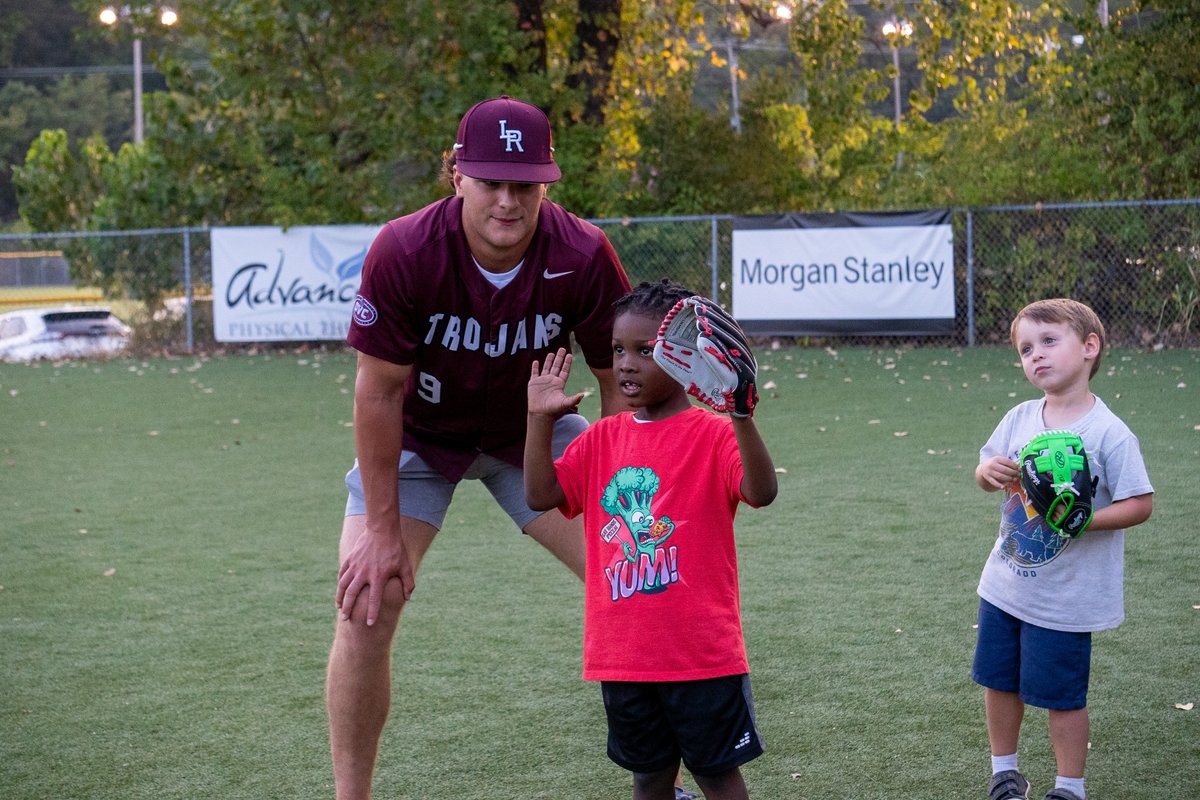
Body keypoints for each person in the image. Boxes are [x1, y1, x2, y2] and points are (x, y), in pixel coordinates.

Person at [325, 95, 636, 800]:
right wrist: (381, 530)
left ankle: (660, 781)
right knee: (368, 603)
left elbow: (617, 379)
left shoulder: (583, 251)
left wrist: (622, 488)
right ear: (457, 175)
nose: (507, 200)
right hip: (420, 436)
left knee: (637, 576)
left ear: (546, 184)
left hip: (534, 429)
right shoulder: (404, 249)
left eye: (525, 184)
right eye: (491, 181)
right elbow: (378, 395)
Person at [524, 279, 779, 800]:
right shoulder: (603, 438)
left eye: (645, 351)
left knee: (717, 775)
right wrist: (538, 420)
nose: (626, 364)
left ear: (686, 358)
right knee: (649, 778)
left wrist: (741, 413)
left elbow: (762, 491)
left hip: (702, 657)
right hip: (623, 657)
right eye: (618, 350)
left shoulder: (713, 433)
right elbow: (539, 494)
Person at [972, 298, 1154, 800]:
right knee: (998, 682)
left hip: (1065, 598)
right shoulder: (1020, 417)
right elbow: (986, 471)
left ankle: (1070, 787)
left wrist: (1086, 521)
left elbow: (1140, 503)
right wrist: (987, 472)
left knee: (1062, 697)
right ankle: (1004, 773)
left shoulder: (1109, 433)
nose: (1036, 355)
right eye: (1026, 349)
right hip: (1005, 584)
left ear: (1090, 347)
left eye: (1049, 341)